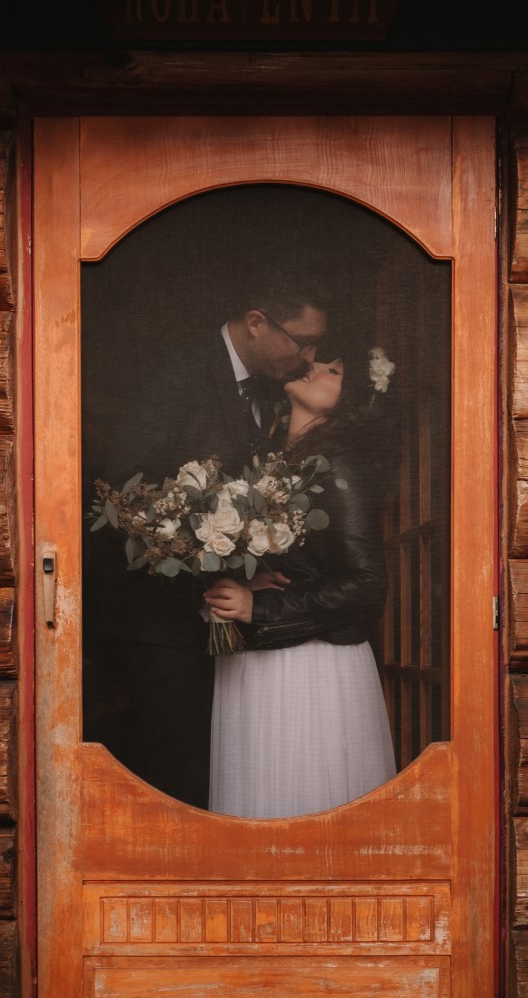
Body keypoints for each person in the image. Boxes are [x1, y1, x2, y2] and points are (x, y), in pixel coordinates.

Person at [82, 267, 329, 808]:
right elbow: (129, 493)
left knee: (216, 769)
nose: (309, 358)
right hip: (158, 621)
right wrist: (217, 576)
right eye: (303, 342)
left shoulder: (272, 389)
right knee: (173, 774)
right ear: (256, 322)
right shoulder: (176, 373)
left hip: (219, 620)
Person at [203, 347, 398, 818]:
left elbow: (368, 583)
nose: (315, 367)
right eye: (320, 361)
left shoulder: (339, 465)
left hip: (309, 669)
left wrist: (259, 608)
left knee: (303, 806)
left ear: (350, 401)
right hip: (260, 661)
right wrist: (238, 582)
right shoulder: (272, 461)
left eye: (334, 371)